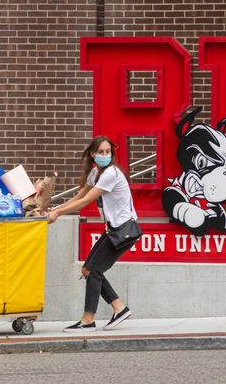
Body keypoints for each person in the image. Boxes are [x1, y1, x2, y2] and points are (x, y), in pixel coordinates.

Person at [47, 135, 139, 332]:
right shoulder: (96, 173)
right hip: (114, 230)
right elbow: (78, 196)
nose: (105, 155)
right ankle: (119, 308)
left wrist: (57, 213)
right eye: (101, 152)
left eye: (108, 152)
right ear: (92, 154)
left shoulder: (111, 174)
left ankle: (88, 320)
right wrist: (54, 209)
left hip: (124, 230)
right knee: (88, 270)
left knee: (94, 270)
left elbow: (86, 200)